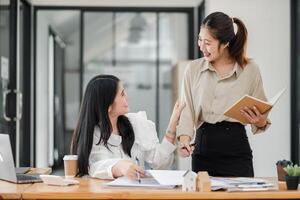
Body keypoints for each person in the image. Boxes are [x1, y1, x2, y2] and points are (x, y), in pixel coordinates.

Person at [177, 12, 271, 177]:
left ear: (225, 43)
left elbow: (262, 115)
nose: (201, 46)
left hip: (237, 154)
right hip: (203, 153)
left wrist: (260, 120)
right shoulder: (193, 70)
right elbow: (186, 111)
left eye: (208, 43)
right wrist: (184, 140)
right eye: (200, 39)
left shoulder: (250, 70)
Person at [71, 74, 185, 179]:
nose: (127, 96)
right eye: (122, 94)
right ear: (108, 106)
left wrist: (173, 123)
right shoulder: (92, 135)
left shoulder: (135, 123)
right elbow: (94, 166)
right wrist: (119, 167)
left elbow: (160, 162)